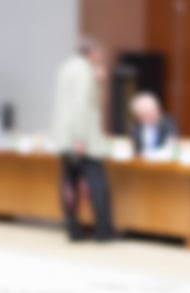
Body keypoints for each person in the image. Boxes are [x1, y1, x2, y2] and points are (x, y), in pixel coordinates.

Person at [51, 38, 115, 242]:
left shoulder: (66, 68)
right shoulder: (85, 71)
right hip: (82, 139)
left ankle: (72, 228)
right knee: (98, 183)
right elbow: (82, 106)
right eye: (100, 52)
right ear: (91, 52)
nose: (102, 57)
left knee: (69, 182)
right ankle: (103, 231)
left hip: (65, 136)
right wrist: (79, 138)